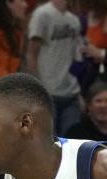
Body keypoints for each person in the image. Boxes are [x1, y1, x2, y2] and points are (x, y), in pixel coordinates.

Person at [27, 0, 81, 136]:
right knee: (50, 144)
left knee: (72, 144)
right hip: (48, 91)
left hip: (71, 92)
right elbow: (32, 53)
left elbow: (76, 57)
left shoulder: (74, 20)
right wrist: (37, 87)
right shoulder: (42, 14)